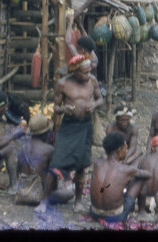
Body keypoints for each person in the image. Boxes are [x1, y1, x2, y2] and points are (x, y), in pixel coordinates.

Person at [49, 54, 102, 210]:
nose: (88, 75)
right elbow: (55, 107)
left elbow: (100, 99)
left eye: (89, 71)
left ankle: (78, 201)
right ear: (75, 71)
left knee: (82, 164)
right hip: (68, 126)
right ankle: (53, 194)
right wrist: (62, 109)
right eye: (84, 72)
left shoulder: (92, 81)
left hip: (85, 126)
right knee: (58, 161)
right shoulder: (63, 84)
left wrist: (94, 104)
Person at [88, 131, 151, 224]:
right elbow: (148, 174)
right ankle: (142, 212)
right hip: (115, 217)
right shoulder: (125, 170)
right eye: (126, 147)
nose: (127, 150)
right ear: (119, 149)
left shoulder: (97, 163)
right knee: (141, 179)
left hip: (94, 212)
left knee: (110, 185)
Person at [13, 114, 55, 206]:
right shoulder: (49, 150)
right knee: (69, 193)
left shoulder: (22, 148)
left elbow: (17, 173)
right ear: (46, 133)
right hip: (39, 194)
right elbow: (52, 177)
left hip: (23, 193)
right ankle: (45, 200)